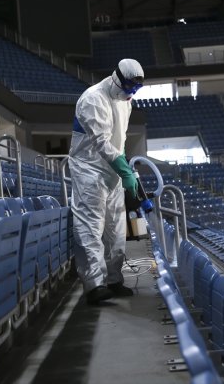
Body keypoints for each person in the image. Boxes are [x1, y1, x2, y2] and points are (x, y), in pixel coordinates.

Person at [68, 58, 144, 304]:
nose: (131, 94)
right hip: (89, 170)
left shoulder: (125, 101)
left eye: (135, 90)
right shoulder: (93, 98)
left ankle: (114, 279)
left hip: (112, 171)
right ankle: (94, 285)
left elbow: (118, 140)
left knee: (116, 230)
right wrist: (124, 169)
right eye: (129, 88)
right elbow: (101, 141)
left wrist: (124, 170)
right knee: (91, 228)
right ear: (116, 79)